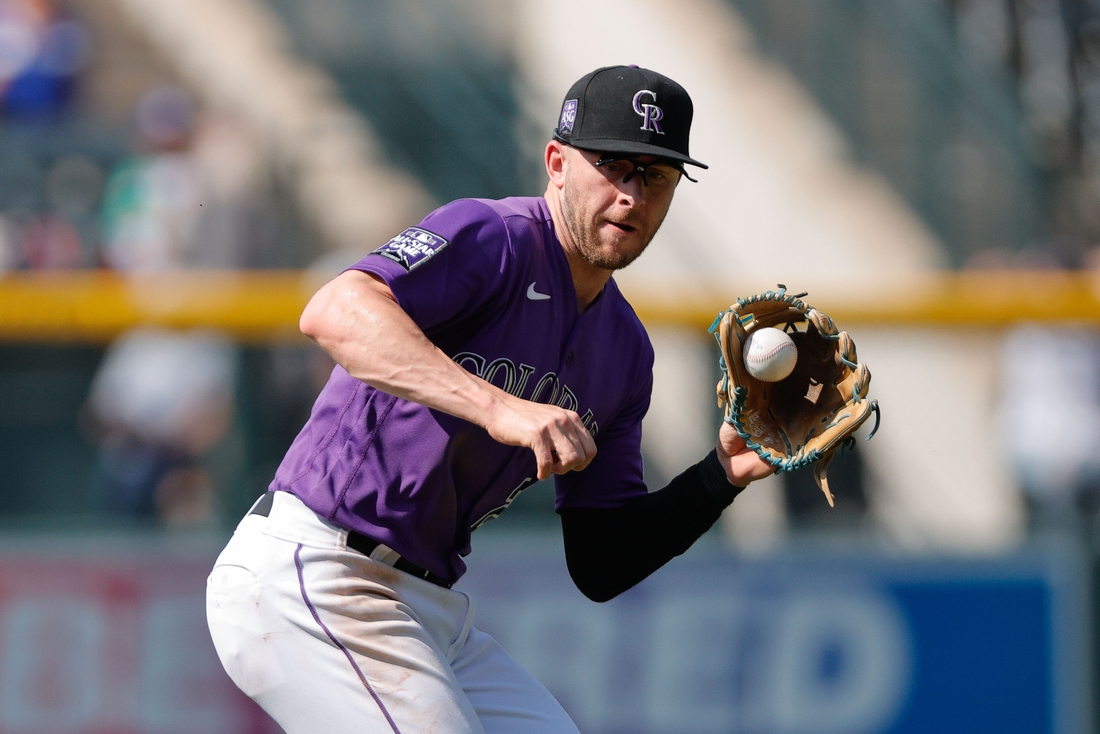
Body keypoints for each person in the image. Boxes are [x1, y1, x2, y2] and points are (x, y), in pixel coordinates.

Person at [206, 65, 773, 734]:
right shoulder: (494, 239)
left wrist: (720, 475)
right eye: (613, 165)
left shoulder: (624, 352)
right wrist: (499, 407)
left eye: (654, 175)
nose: (630, 193)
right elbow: (334, 310)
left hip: (425, 609)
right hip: (313, 574)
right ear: (557, 163)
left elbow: (602, 560)